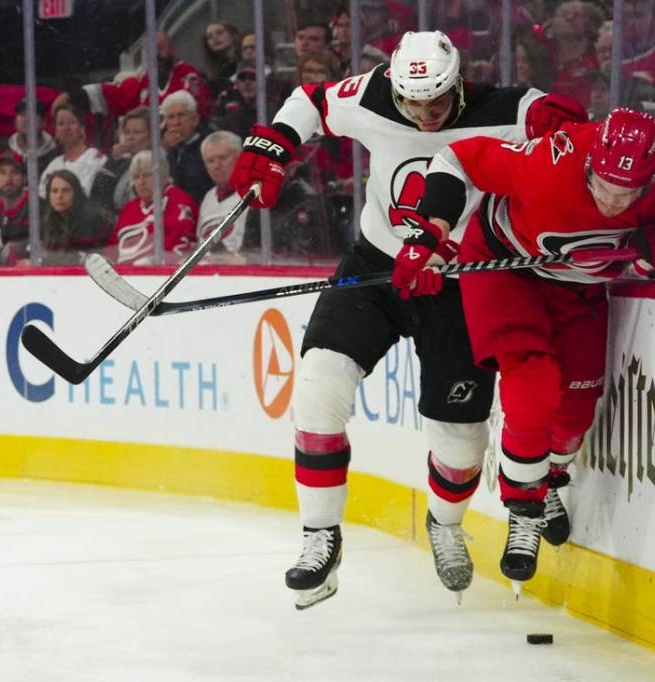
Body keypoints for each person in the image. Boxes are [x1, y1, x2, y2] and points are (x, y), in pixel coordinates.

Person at [229, 30, 587, 608]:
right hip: (375, 267)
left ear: (459, 83)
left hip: (462, 283)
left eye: (438, 103)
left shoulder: (507, 109)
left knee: (461, 442)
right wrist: (273, 143)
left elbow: (570, 135)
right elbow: (312, 102)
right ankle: (320, 539)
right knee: (318, 386)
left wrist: (566, 129)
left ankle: (444, 524)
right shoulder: (371, 94)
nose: (425, 116)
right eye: (413, 103)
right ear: (395, 83)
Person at [416, 108, 655, 588]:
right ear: (588, 164)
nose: (611, 201)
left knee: (575, 416)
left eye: (628, 193)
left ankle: (548, 475)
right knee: (532, 387)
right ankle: (525, 512)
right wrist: (432, 232)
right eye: (603, 185)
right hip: (504, 265)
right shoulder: (549, 161)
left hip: (577, 285)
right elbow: (456, 158)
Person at [54, 31, 213, 121]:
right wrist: (72, 95)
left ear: (171, 49)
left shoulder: (188, 75)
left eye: (161, 48)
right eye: (150, 50)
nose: (156, 54)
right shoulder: (141, 81)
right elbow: (113, 93)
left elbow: (200, 110)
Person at [108, 150, 198, 265]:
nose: (141, 182)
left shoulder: (179, 201)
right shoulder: (129, 208)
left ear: (163, 176)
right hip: (126, 273)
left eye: (147, 175)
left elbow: (179, 248)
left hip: (161, 274)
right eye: (136, 177)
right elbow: (114, 247)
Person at [16, 170, 110, 266]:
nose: (59, 196)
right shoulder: (49, 219)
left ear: (76, 193)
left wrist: (41, 262)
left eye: (65, 191)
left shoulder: (90, 219)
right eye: (54, 191)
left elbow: (80, 259)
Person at [38, 103, 107, 199]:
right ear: (56, 131)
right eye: (61, 124)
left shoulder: (96, 159)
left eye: (72, 122)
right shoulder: (53, 165)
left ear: (82, 127)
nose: (66, 128)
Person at [91, 107, 151, 214]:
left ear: (151, 135)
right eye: (127, 132)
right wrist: (112, 161)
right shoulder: (120, 162)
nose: (130, 137)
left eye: (137, 132)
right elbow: (96, 194)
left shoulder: (158, 162)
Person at [198, 131, 247, 257]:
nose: (217, 165)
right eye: (210, 160)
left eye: (223, 158)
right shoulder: (209, 197)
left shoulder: (256, 193)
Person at [161, 91, 214, 205]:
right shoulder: (163, 148)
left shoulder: (210, 145)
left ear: (195, 119)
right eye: (171, 117)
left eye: (181, 115)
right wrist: (165, 151)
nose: (176, 122)